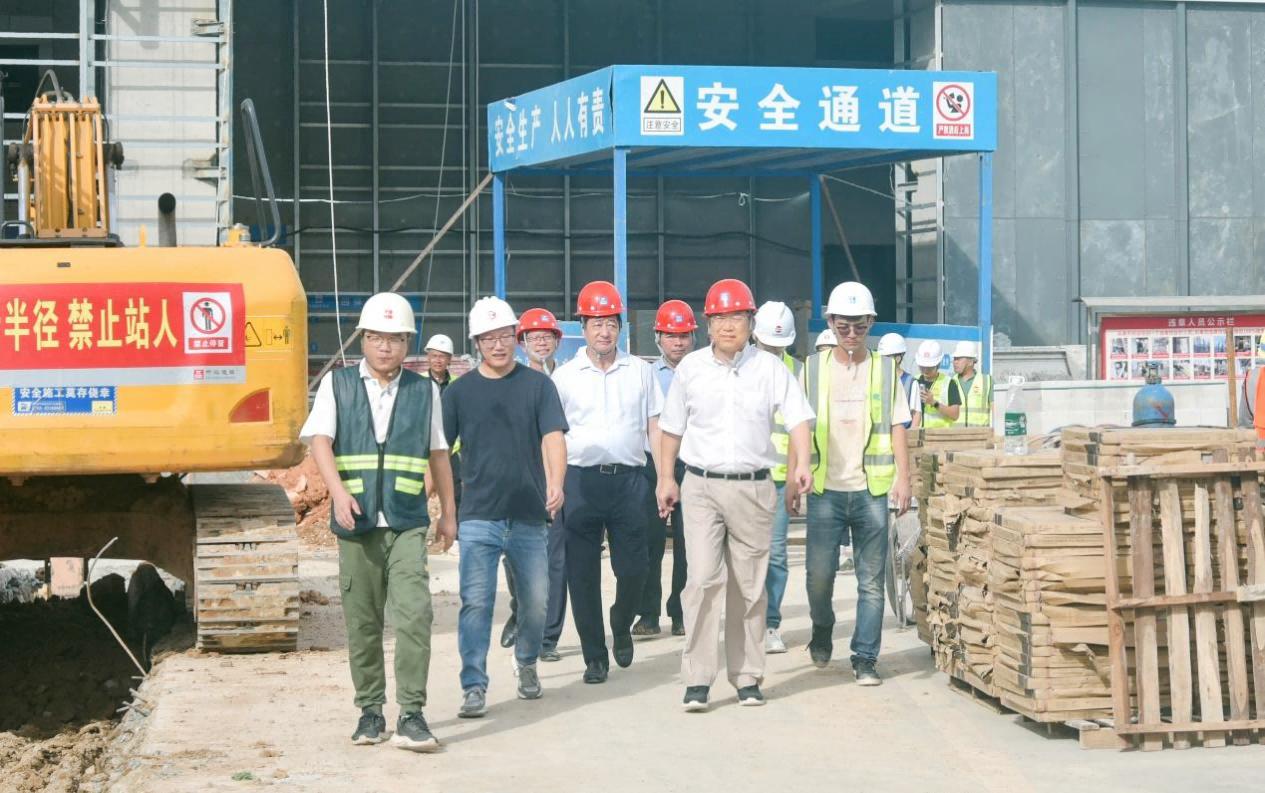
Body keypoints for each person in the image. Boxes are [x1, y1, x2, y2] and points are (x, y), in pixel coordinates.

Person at [302, 292, 456, 752]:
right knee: (363, 622)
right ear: (362, 340)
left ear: (408, 343)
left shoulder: (424, 391)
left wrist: (449, 514)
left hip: (407, 520)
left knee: (414, 615)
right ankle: (370, 711)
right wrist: (339, 493)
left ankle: (411, 714)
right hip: (358, 522)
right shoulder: (337, 385)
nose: (385, 346)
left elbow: (439, 454)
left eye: (394, 338)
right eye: (376, 337)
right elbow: (320, 441)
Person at [657, 278, 814, 712]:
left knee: (749, 586)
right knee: (702, 581)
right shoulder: (690, 369)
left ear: (751, 322)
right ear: (708, 324)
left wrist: (801, 465)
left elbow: (798, 419)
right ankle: (697, 679)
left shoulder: (770, 369)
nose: (729, 326)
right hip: (701, 487)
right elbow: (671, 429)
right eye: (721, 318)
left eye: (738, 317)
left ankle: (747, 677)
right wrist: (666, 478)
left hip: (753, 488)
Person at [443, 296, 568, 719]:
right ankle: (473, 685)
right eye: (488, 338)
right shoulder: (459, 393)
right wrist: (444, 507)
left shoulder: (538, 386)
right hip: (479, 514)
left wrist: (556, 482)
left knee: (536, 601)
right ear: (476, 342)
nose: (498, 345)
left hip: (529, 513)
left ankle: (526, 661)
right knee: (476, 602)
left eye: (504, 336)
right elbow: (439, 451)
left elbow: (553, 437)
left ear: (516, 337)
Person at [800, 281, 911, 687]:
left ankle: (865, 657)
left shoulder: (886, 370)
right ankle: (822, 626)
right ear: (830, 322)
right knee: (818, 577)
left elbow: (898, 426)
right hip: (825, 490)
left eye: (859, 325)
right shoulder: (812, 370)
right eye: (843, 325)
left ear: (870, 323)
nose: (851, 333)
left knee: (871, 582)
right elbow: (799, 426)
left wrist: (904, 478)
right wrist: (797, 472)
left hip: (871, 490)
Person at [552, 281, 662, 684]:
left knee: (635, 568)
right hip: (579, 482)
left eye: (611, 324)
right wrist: (553, 483)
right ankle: (595, 657)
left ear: (620, 327)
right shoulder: (565, 377)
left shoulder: (640, 372)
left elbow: (655, 426)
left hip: (630, 482)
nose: (604, 332)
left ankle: (621, 620)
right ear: (583, 326)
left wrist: (665, 477)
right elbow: (552, 436)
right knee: (581, 575)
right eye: (596, 324)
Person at [500, 307, 564, 655]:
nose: (541, 342)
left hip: (556, 479)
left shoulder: (567, 379)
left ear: (557, 341)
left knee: (553, 560)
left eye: (546, 337)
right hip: (520, 479)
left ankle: (546, 637)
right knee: (514, 555)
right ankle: (519, 608)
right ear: (522, 344)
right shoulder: (511, 380)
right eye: (533, 337)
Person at [633, 299, 696, 638]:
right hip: (651, 466)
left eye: (684, 335)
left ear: (693, 337)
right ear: (658, 337)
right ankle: (648, 612)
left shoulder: (702, 371)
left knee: (689, 542)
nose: (678, 342)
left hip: (691, 464)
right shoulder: (646, 375)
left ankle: (681, 611)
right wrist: (661, 473)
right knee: (649, 541)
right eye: (671, 335)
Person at [750, 300, 800, 655]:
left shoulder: (798, 372)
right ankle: (746, 621)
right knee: (744, 554)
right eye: (769, 345)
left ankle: (770, 624)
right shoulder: (742, 367)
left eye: (779, 346)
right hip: (746, 476)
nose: (774, 351)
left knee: (777, 555)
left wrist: (797, 476)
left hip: (781, 478)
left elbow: (802, 428)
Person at [877, 332, 921, 430]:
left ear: (898, 358)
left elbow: (916, 415)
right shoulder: (875, 378)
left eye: (886, 357)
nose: (881, 360)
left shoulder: (911, 382)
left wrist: (910, 436)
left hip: (902, 433)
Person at [948, 341, 993, 427]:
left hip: (980, 434)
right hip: (955, 434)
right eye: (954, 359)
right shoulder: (949, 382)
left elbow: (995, 412)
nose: (955, 362)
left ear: (971, 362)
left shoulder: (987, 381)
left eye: (959, 359)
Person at [915, 340, 959, 429]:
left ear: (938, 364)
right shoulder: (914, 381)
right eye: (922, 367)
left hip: (940, 435)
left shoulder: (949, 383)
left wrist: (933, 403)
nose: (925, 370)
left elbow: (955, 414)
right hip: (917, 434)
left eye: (929, 367)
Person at [519, 307, 561, 375]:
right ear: (523, 346)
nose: (542, 343)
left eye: (547, 337)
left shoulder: (569, 377)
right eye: (535, 338)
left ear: (557, 342)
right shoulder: (518, 380)